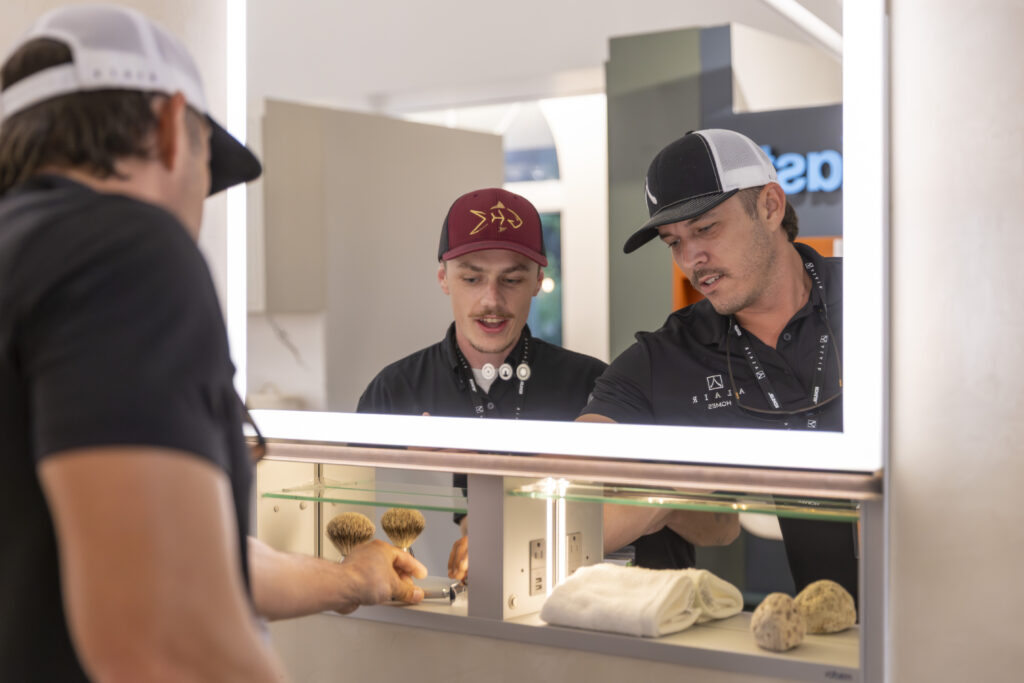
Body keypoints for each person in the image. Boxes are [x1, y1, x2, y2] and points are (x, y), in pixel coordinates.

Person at [0, 6, 425, 682]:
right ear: (173, 127)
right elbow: (165, 631)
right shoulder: (124, 247)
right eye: (207, 166)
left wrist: (352, 579)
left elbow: (175, 552)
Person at [579, 128, 856, 602]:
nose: (691, 258)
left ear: (770, 206)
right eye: (673, 242)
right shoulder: (665, 358)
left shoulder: (881, 296)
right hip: (839, 642)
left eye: (706, 228)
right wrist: (678, 488)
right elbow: (575, 505)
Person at [357, 187, 608, 582]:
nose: (491, 300)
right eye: (472, 278)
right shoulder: (393, 391)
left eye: (511, 278)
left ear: (538, 280)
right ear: (443, 277)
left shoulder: (592, 385)